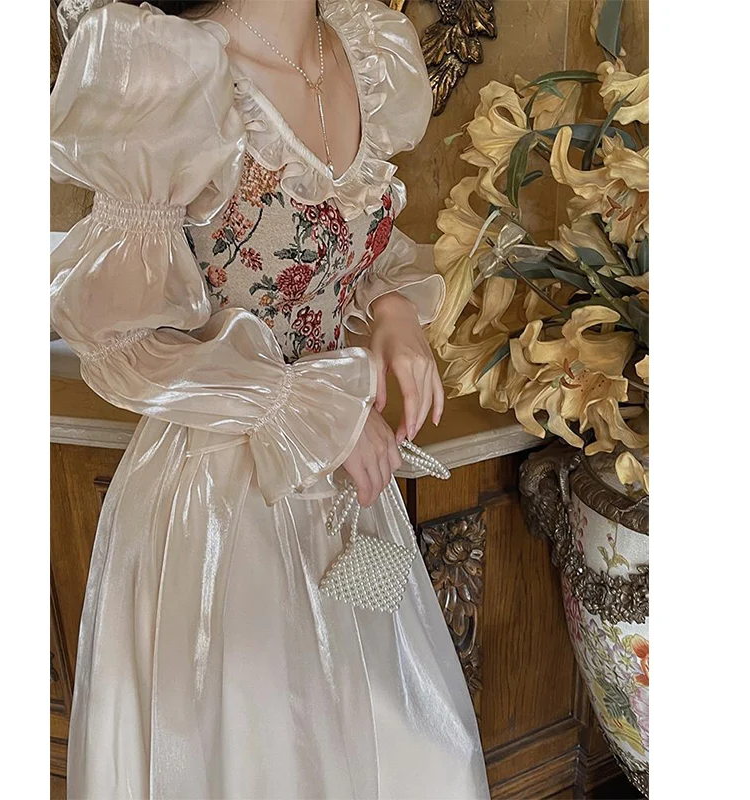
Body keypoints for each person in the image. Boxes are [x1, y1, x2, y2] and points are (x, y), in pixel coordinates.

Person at [50, 1, 490, 797]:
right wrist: (303, 409)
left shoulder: (365, 54)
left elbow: (348, 242)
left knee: (413, 752)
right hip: (219, 497)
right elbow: (120, 344)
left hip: (346, 488)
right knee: (259, 757)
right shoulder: (175, 75)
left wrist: (393, 309)